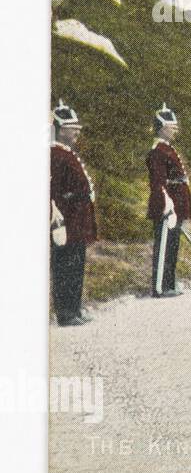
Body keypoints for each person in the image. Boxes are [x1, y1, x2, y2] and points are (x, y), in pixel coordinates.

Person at [50, 100, 97, 326]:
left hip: (77, 217)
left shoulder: (67, 152)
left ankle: (75, 308)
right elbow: (53, 191)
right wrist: (55, 220)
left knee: (77, 263)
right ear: (59, 130)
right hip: (66, 217)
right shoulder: (55, 154)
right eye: (71, 127)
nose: (77, 130)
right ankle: (66, 313)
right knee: (65, 266)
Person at [147, 103, 191, 298]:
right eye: (171, 127)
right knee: (165, 245)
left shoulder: (168, 148)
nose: (175, 130)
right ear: (162, 128)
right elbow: (158, 182)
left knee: (173, 245)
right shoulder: (158, 150)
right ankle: (159, 287)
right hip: (168, 204)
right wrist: (168, 205)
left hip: (177, 202)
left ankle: (169, 283)